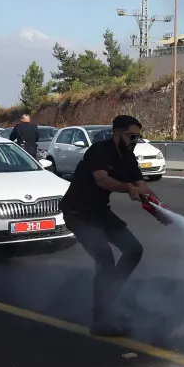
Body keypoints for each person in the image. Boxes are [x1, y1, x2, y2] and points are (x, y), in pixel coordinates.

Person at [60, 114, 154, 336]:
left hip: (100, 212)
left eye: (138, 137)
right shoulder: (99, 151)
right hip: (78, 213)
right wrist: (128, 189)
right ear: (117, 134)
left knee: (134, 250)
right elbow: (102, 179)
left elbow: (142, 188)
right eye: (132, 136)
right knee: (105, 258)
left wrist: (159, 208)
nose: (135, 141)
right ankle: (101, 320)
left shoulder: (129, 159)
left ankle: (110, 295)